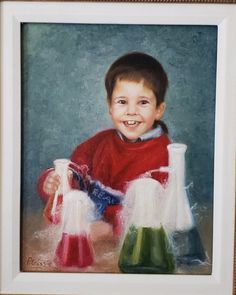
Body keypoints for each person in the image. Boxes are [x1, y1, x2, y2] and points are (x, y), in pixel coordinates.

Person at [38, 51, 171, 242]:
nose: (131, 111)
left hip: (129, 244)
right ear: (110, 106)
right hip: (82, 231)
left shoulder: (164, 154)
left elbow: (160, 213)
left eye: (143, 102)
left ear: (159, 109)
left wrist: (109, 229)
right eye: (122, 102)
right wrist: (53, 181)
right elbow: (74, 171)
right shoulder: (101, 141)